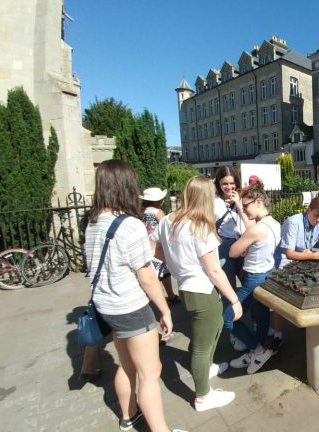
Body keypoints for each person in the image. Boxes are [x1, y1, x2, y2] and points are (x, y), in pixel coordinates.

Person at [84, 160, 182, 431]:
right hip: (131, 308)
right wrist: (165, 310)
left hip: (107, 306)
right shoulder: (129, 224)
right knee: (150, 373)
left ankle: (129, 416)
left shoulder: (93, 222)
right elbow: (147, 276)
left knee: (126, 365)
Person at [155, 175, 242, 412]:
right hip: (202, 290)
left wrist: (176, 262)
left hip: (186, 288)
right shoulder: (200, 226)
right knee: (203, 344)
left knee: (209, 333)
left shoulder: (168, 220)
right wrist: (234, 300)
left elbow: (157, 248)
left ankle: (203, 370)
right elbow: (214, 270)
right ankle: (203, 396)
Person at [228, 180, 281, 374]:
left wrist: (244, 246)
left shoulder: (256, 229)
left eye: (245, 206)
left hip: (253, 278)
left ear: (258, 202)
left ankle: (258, 350)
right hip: (267, 273)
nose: (243, 209)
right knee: (261, 316)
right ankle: (256, 351)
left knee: (227, 318)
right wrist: (248, 246)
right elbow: (258, 244)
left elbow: (233, 252)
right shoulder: (274, 224)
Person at [271, 197, 319, 349]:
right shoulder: (293, 222)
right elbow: (289, 253)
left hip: (304, 259)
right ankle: (277, 332)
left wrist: (313, 254)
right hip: (283, 263)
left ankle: (304, 322)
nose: (318, 220)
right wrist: (313, 255)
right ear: (308, 210)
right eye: (316, 216)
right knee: (281, 298)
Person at [213, 166, 254, 352]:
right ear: (218, 184)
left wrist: (239, 204)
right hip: (224, 245)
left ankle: (252, 320)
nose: (229, 187)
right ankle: (233, 330)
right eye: (225, 184)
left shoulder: (243, 198)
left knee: (249, 284)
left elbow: (251, 226)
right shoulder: (214, 202)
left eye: (232, 183)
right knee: (227, 288)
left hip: (243, 242)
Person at [140, 187, 179, 306]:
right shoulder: (158, 212)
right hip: (158, 246)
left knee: (162, 272)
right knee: (157, 274)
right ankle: (155, 300)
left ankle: (171, 296)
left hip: (146, 245)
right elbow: (166, 226)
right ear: (157, 201)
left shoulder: (141, 211)